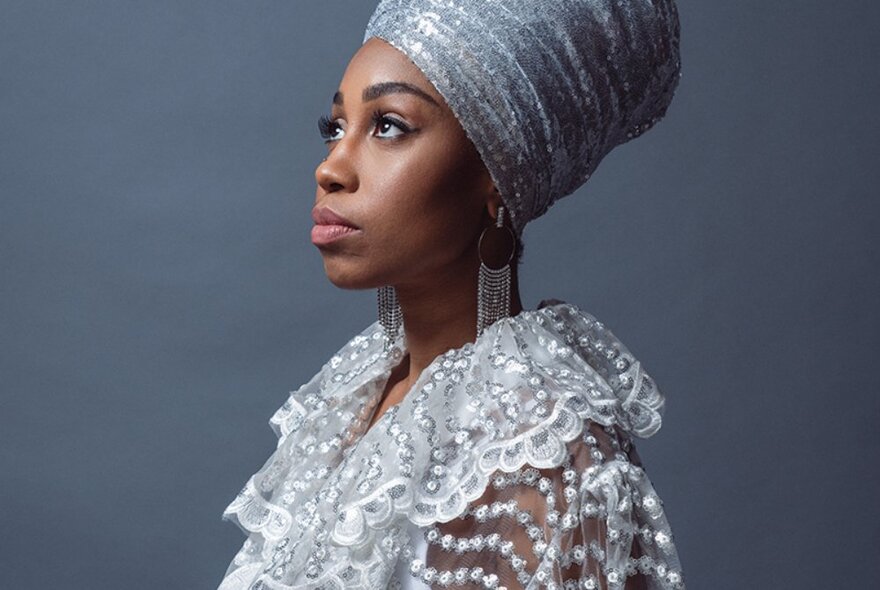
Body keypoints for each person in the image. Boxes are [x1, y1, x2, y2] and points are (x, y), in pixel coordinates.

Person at [218, 1, 685, 588]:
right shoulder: (350, 403)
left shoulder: (540, 451)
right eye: (335, 128)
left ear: (498, 175)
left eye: (389, 125)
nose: (331, 167)